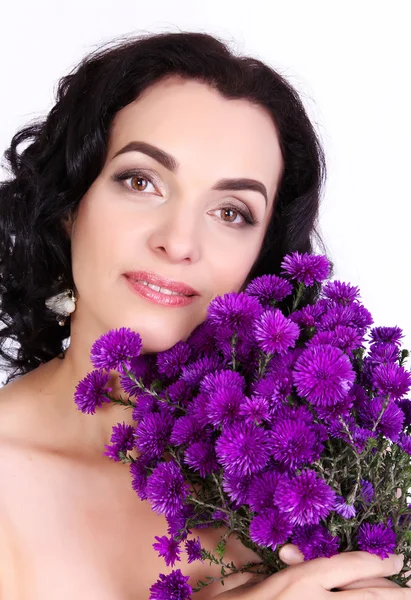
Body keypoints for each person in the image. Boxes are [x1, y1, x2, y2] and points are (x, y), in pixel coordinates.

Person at [0, 30, 407, 599]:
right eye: (141, 181)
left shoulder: (315, 486)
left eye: (232, 211)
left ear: (262, 259)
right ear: (71, 203)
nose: (180, 242)